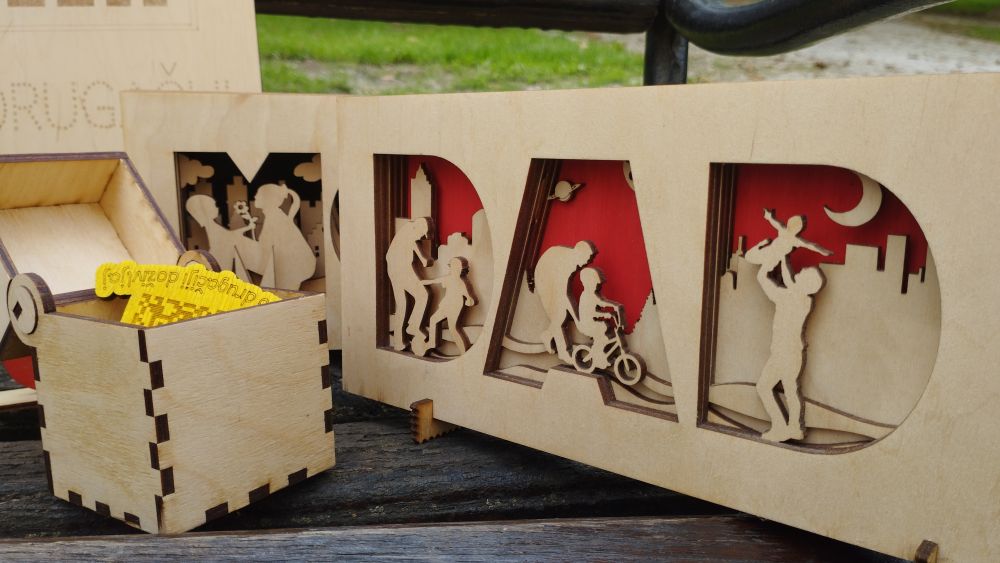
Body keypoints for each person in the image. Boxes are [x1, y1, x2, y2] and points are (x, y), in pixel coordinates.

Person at [755, 256, 825, 442]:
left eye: (802, 273)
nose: (799, 272)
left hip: (783, 353)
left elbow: (764, 279)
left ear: (805, 284)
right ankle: (794, 428)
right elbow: (790, 280)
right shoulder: (805, 300)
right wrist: (783, 257)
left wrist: (766, 267)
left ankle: (780, 426)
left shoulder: (787, 297)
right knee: (791, 390)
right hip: (793, 353)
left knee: (764, 387)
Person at [532, 241, 596, 363]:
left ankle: (548, 335)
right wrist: (578, 320)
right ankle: (563, 352)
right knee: (559, 315)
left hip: (550, 274)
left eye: (590, 260)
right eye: (588, 259)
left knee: (559, 316)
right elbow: (565, 297)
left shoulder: (572, 261)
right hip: (545, 277)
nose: (588, 263)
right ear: (579, 253)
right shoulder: (566, 265)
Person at [253, 183, 317, 290]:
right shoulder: (274, 215)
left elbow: (270, 245)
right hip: (287, 269)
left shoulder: (275, 218)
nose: (255, 196)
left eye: (258, 194)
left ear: (268, 199)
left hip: (291, 270)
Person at [386, 218, 433, 351]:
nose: (422, 238)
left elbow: (419, 254)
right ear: (418, 228)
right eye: (422, 235)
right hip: (401, 271)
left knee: (402, 305)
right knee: (423, 295)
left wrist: (424, 259)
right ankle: (413, 326)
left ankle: (398, 341)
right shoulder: (410, 232)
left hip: (396, 270)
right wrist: (426, 260)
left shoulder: (407, 231)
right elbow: (423, 258)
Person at [745, 209, 832, 280]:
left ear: (798, 229)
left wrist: (822, 251)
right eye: (791, 223)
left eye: (795, 225)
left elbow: (810, 245)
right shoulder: (783, 230)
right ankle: (761, 245)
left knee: (761, 275)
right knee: (750, 258)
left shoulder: (795, 240)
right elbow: (774, 221)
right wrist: (769, 216)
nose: (791, 226)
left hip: (774, 258)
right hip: (768, 251)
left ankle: (779, 286)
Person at [185, 195, 256, 274]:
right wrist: (248, 227)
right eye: (214, 206)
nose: (217, 208)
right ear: (206, 211)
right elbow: (229, 236)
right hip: (220, 254)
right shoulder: (212, 226)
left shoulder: (213, 225)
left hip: (222, 252)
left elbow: (229, 236)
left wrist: (248, 228)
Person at [422, 257, 477, 354]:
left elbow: (470, 296)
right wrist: (422, 282)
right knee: (433, 320)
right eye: (451, 266)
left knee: (453, 329)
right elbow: (435, 281)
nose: (451, 269)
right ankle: (432, 342)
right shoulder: (449, 278)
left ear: (460, 269)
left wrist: (470, 300)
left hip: (456, 306)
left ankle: (464, 352)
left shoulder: (463, 282)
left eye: (453, 267)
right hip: (447, 304)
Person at [574, 267, 623, 370]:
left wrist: (614, 305)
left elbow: (602, 302)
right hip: (587, 324)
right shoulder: (586, 296)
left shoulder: (593, 294)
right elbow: (591, 313)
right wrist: (606, 314)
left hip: (593, 323)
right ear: (588, 283)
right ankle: (597, 357)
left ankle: (602, 356)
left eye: (599, 285)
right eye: (596, 284)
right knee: (602, 334)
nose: (598, 287)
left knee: (605, 332)